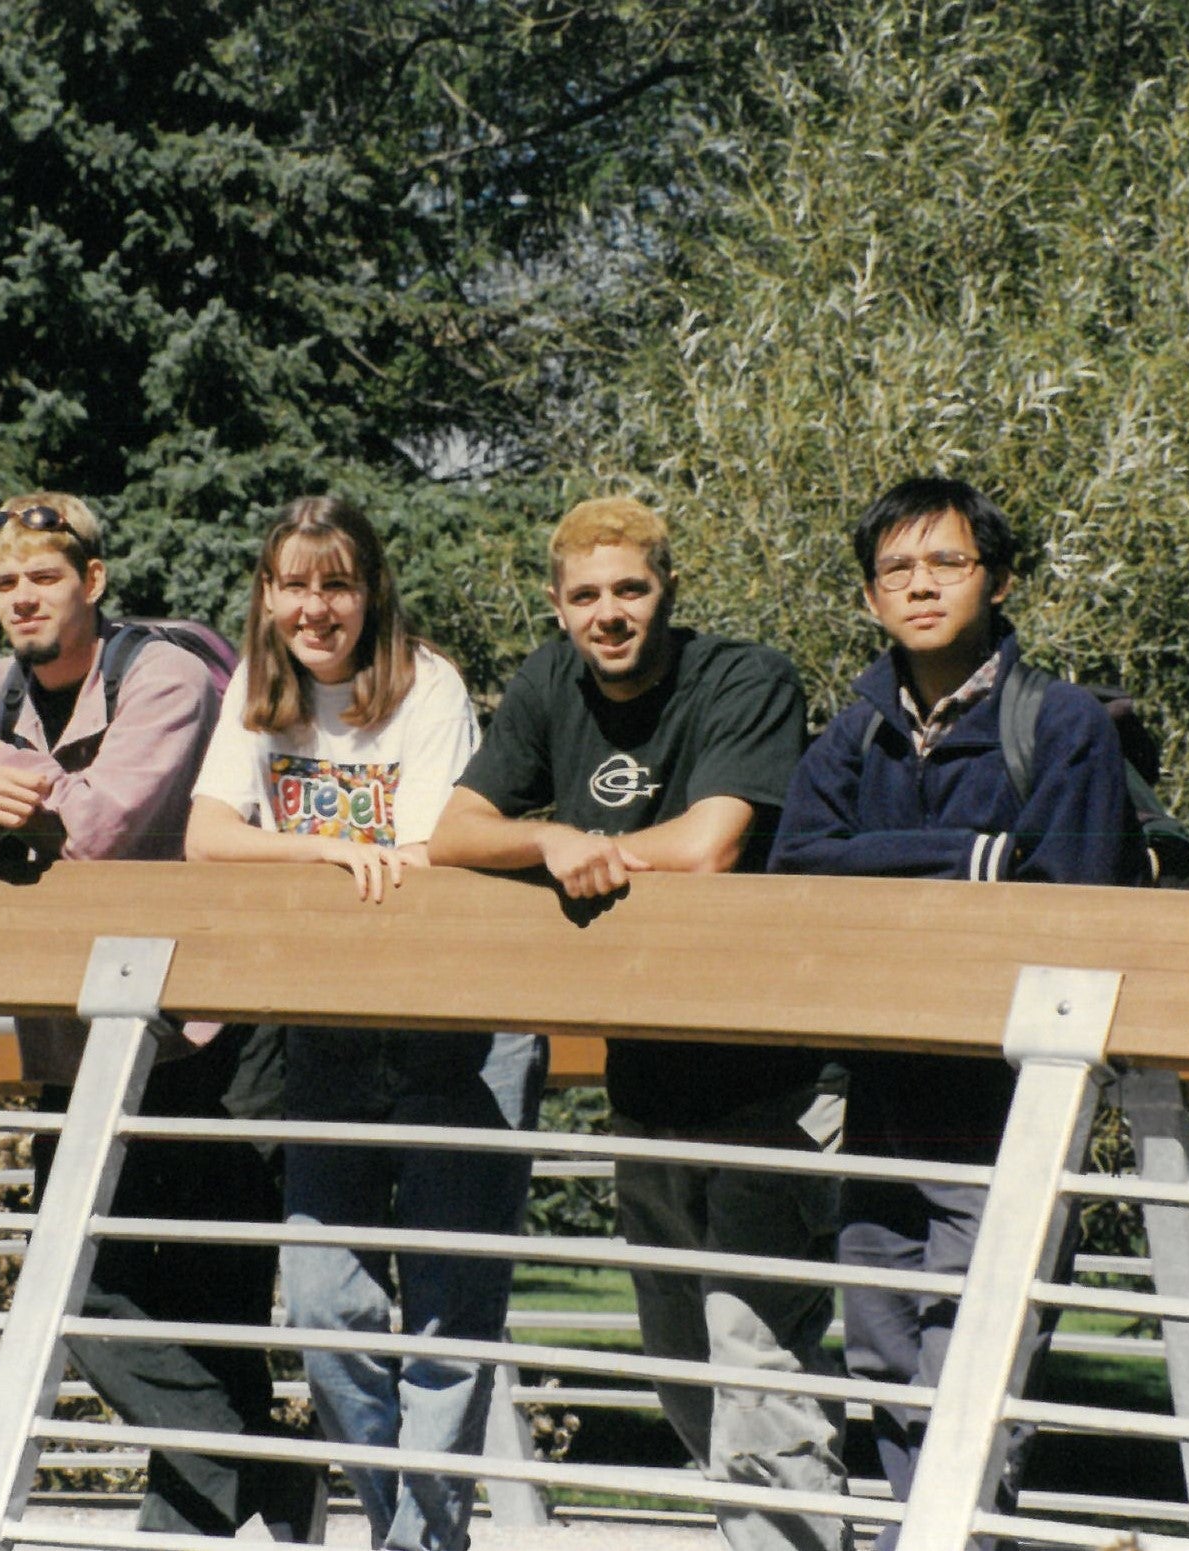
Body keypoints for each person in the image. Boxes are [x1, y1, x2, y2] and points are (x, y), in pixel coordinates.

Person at [0, 492, 318, 1541]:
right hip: (78, 1040)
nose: (22, 597)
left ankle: (203, 1519)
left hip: (217, 1032)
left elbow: (99, 831)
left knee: (216, 1306)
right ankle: (271, 1478)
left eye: (44, 576)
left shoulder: (162, 674)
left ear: (92, 582)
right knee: (86, 1296)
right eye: (4, 582)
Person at [429, 496, 845, 1551]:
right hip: (649, 1080)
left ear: (668, 590)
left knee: (756, 1357)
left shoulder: (743, 678)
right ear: (557, 606)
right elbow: (453, 833)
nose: (607, 615)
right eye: (584, 597)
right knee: (681, 1369)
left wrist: (575, 853)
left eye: (629, 590)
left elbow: (710, 842)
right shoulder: (545, 681)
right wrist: (554, 840)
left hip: (778, 1075)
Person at [768, 476, 1143, 1547]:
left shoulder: (1061, 725)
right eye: (896, 568)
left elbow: (1064, 895)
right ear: (869, 595)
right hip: (882, 1093)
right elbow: (797, 866)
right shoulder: (851, 735)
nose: (919, 584)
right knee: (884, 1355)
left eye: (945, 562)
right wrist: (976, 858)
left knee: (977, 1364)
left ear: (999, 579)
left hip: (1006, 1101)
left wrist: (884, 870)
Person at [186, 495, 544, 1551]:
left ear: (370, 591)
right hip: (330, 1025)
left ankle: (422, 1542)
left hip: (457, 1025)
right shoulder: (261, 691)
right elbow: (208, 837)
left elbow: (439, 848)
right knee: (325, 1305)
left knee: (446, 1308)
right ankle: (406, 1525)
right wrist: (324, 849)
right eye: (293, 584)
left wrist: (340, 849)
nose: (314, 607)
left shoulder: (423, 685)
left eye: (335, 583)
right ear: (267, 596)